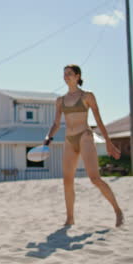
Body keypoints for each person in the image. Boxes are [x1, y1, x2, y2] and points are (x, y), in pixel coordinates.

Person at [44, 64, 124, 227]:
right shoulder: (60, 101)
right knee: (67, 181)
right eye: (64, 74)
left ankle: (117, 210)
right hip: (69, 139)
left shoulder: (88, 96)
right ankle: (70, 218)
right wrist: (48, 138)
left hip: (85, 136)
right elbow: (56, 124)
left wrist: (108, 142)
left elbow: (99, 121)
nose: (66, 76)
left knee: (94, 178)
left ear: (78, 76)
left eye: (69, 74)